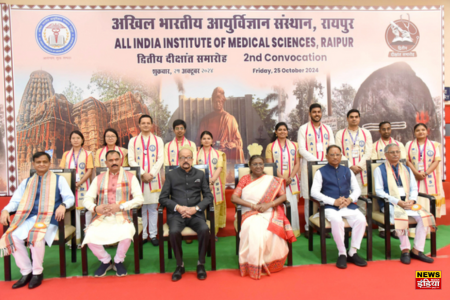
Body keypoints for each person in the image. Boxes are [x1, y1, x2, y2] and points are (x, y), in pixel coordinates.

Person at [0, 152, 74, 289]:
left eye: (44, 162)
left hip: (49, 219)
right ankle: (26, 271)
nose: (41, 164)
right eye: (38, 162)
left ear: (49, 163)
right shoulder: (27, 182)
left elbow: (70, 198)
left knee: (36, 236)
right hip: (28, 217)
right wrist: (5, 210)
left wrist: (63, 206)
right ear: (33, 164)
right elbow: (15, 201)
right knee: (12, 236)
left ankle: (37, 272)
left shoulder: (59, 180)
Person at [231, 155, 296, 280]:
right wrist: (253, 206)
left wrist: (269, 205)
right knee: (253, 229)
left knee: (271, 229)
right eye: (255, 164)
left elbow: (283, 197)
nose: (258, 166)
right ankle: (254, 262)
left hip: (268, 210)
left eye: (260, 164)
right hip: (248, 211)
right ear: (250, 166)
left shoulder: (271, 180)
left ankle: (269, 262)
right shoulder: (245, 179)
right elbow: (234, 198)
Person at [82, 150, 144, 277]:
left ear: (121, 161)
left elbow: (139, 198)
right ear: (106, 163)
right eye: (111, 160)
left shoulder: (131, 177)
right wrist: (95, 208)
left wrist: (121, 206)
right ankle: (105, 261)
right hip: (102, 217)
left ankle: (118, 260)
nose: (114, 162)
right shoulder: (98, 179)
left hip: (123, 215)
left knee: (127, 233)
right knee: (89, 234)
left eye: (116, 159)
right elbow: (87, 199)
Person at [374, 143, 435, 264]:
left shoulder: (406, 169)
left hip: (407, 202)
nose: (395, 154)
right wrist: (398, 202)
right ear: (386, 154)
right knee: (400, 217)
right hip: (390, 204)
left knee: (425, 217)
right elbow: (379, 191)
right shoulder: (379, 169)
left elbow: (413, 188)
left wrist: (412, 200)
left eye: (397, 152)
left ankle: (417, 250)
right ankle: (405, 250)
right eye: (392, 152)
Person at [159, 147, 213, 281]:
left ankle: (200, 264)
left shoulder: (200, 175)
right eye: (183, 157)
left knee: (204, 229)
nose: (186, 160)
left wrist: (196, 208)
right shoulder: (171, 175)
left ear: (192, 159)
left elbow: (208, 197)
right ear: (178, 159)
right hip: (177, 215)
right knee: (174, 232)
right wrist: (178, 207)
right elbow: (163, 198)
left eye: (188, 157)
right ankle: (179, 265)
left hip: (196, 214)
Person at [310, 145, 367, 269]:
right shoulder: (320, 172)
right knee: (336, 220)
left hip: (348, 205)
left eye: (337, 154)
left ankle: (352, 251)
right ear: (326, 156)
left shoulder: (348, 170)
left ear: (341, 156)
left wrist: (350, 199)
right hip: (331, 207)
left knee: (361, 219)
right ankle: (342, 253)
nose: (335, 157)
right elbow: (314, 192)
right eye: (332, 154)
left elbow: (356, 189)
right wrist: (333, 201)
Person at [298, 103, 334, 239]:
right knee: (310, 198)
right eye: (314, 112)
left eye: (319, 112)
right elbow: (301, 149)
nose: (317, 114)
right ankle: (308, 227)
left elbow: (332, 146)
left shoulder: (328, 129)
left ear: (321, 113)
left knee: (325, 197)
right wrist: (316, 162)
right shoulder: (303, 129)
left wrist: (325, 162)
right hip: (309, 166)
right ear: (310, 113)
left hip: (326, 167)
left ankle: (323, 227)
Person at [128, 114, 164, 246]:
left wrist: (152, 174)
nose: (146, 125)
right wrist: (143, 173)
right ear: (139, 125)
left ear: (152, 124)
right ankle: (142, 235)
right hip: (139, 178)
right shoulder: (133, 141)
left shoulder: (158, 140)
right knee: (141, 207)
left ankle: (153, 235)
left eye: (148, 123)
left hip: (153, 179)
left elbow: (161, 158)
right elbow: (131, 159)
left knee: (153, 207)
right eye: (143, 123)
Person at [405, 123, 446, 238]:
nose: (421, 132)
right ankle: (412, 231)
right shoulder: (409, 144)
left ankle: (427, 231)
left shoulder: (434, 145)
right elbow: (407, 160)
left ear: (427, 131)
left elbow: (436, 161)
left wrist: (426, 173)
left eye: (423, 130)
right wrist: (416, 173)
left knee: (427, 202)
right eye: (418, 130)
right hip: (414, 177)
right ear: (414, 132)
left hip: (429, 178)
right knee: (415, 201)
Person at [196, 87, 245, 181]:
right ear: (212, 102)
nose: (217, 104)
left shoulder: (230, 118)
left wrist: (231, 144)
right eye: (215, 101)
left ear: (223, 102)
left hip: (226, 149)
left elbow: (239, 141)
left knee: (238, 150)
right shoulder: (205, 119)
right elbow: (199, 140)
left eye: (220, 101)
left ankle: (236, 179)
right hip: (210, 149)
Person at [371, 121, 406, 239]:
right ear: (379, 131)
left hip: (398, 177)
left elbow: (403, 161)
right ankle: (384, 228)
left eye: (388, 129)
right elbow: (374, 164)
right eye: (384, 129)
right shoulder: (375, 145)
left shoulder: (399, 144)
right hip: (383, 175)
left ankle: (397, 229)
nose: (386, 131)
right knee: (384, 196)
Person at [266, 122, 301, 237]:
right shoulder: (270, 146)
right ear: (276, 132)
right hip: (277, 180)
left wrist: (289, 178)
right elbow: (270, 165)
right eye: (279, 130)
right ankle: (279, 230)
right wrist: (282, 178)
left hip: (292, 180)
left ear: (287, 132)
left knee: (292, 205)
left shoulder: (295, 145)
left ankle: (293, 230)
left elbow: (297, 164)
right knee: (279, 205)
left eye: (284, 129)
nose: (282, 131)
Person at [60, 130, 94, 246]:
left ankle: (88, 238)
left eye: (78, 138)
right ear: (70, 140)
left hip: (84, 185)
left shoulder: (88, 154)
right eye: (73, 138)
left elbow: (89, 170)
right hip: (69, 186)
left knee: (86, 211)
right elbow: (62, 171)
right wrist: (70, 183)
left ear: (82, 140)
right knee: (74, 213)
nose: (75, 140)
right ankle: (77, 238)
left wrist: (79, 182)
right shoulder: (66, 155)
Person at [335, 109, 372, 212]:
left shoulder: (366, 133)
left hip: (362, 170)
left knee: (363, 198)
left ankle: (362, 225)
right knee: (345, 197)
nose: (354, 119)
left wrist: (359, 166)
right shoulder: (340, 134)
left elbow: (369, 152)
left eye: (356, 117)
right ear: (347, 119)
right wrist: (351, 166)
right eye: (351, 117)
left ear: (359, 118)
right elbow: (338, 153)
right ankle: (347, 224)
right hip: (346, 170)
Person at [197, 131, 226, 239]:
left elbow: (220, 167)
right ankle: (203, 231)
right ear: (201, 140)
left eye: (208, 138)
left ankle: (214, 232)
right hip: (200, 184)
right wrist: (206, 181)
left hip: (215, 183)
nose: (206, 140)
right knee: (201, 207)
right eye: (204, 138)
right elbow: (195, 169)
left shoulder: (219, 154)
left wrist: (212, 181)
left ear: (212, 140)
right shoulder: (196, 154)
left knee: (214, 208)